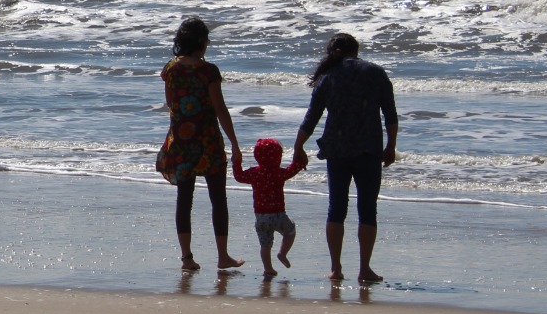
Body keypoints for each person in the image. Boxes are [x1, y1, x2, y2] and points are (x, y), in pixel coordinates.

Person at [293, 32, 399, 284]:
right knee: (367, 209)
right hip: (368, 149)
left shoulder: (327, 77)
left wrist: (298, 147)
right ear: (356, 49)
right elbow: (390, 114)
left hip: (337, 150)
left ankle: (336, 268)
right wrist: (391, 145)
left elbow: (312, 117)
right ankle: (364, 269)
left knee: (336, 208)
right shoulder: (375, 72)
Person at [156, 17, 245, 272]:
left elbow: (172, 106)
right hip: (208, 142)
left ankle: (187, 258)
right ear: (201, 42)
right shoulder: (208, 71)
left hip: (182, 141)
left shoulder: (171, 69)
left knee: (184, 199)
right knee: (218, 198)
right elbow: (220, 109)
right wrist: (235, 144)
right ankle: (223, 256)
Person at [232, 137, 307, 279]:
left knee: (265, 245)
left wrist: (236, 162)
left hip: (261, 217)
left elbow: (239, 176)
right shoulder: (279, 173)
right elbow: (292, 170)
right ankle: (282, 253)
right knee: (290, 232)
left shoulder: (255, 173)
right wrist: (301, 161)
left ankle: (268, 269)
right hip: (279, 215)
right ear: (278, 156)